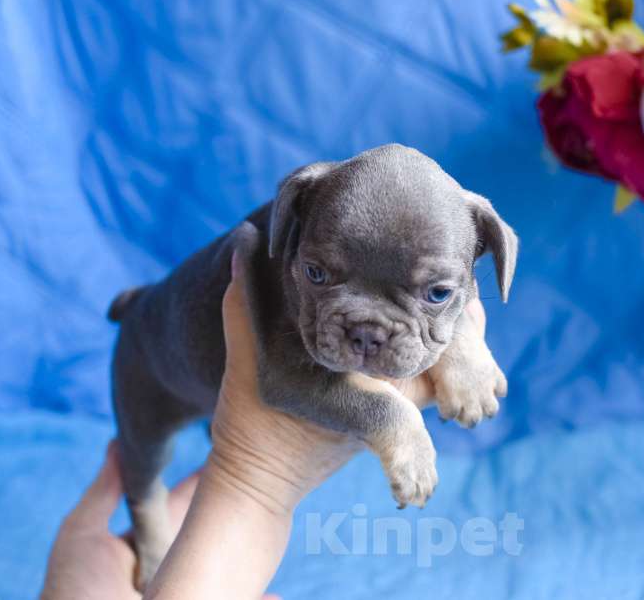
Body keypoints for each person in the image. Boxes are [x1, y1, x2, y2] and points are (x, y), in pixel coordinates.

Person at [41, 248, 489, 598]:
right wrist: (260, 481)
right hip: (153, 366)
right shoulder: (273, 245)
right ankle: (147, 516)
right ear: (290, 225)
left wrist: (461, 345)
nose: (369, 333)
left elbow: (450, 292)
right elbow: (283, 377)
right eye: (320, 274)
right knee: (142, 462)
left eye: (435, 292)